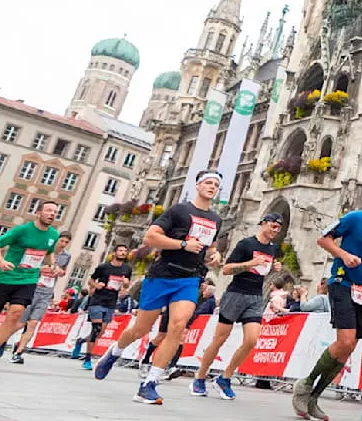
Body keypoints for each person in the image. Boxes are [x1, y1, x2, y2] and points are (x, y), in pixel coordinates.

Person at [94, 171, 224, 404]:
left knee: (177, 326)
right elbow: (150, 238)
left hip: (190, 278)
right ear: (197, 185)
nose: (212, 187)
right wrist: (183, 244)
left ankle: (149, 383)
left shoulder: (216, 219)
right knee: (140, 330)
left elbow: (211, 247)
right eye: (208, 182)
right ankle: (114, 352)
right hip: (163, 274)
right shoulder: (179, 210)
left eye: (216, 184)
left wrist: (214, 255)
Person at [292, 184, 362, 421]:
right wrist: (344, 255)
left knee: (348, 347)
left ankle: (314, 397)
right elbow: (323, 238)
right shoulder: (355, 218)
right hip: (342, 283)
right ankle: (306, 384)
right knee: (346, 340)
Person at [192, 213, 283, 400]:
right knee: (219, 339)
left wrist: (273, 268)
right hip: (235, 294)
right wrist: (250, 263)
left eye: (279, 228)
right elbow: (226, 269)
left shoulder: (273, 248)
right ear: (263, 223)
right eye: (273, 226)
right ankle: (200, 377)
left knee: (251, 340)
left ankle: (225, 377)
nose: (276, 231)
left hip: (256, 296)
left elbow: (262, 269)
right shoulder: (246, 244)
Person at [0, 201, 62, 371]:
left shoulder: (54, 235)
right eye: (48, 210)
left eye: (55, 212)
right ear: (38, 212)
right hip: (5, 277)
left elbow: (48, 252)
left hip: (28, 280)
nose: (52, 214)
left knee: (15, 314)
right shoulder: (22, 230)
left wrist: (53, 266)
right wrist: (0, 261)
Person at [4, 232, 72, 363]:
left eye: (65, 242)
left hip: (47, 292)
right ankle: (2, 340)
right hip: (33, 289)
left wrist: (60, 272)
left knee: (33, 323)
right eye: (61, 241)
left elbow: (64, 271)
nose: (62, 244)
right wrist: (41, 269)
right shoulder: (45, 251)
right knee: (20, 324)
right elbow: (29, 266)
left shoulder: (66, 256)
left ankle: (19, 353)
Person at [76, 244, 134, 370]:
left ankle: (81, 341)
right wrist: (96, 285)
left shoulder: (127, 269)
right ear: (114, 253)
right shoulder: (104, 267)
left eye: (125, 251)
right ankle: (87, 359)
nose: (123, 253)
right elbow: (90, 280)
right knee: (96, 329)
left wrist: (126, 284)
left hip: (111, 302)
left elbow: (126, 285)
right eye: (120, 250)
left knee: (100, 332)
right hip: (97, 301)